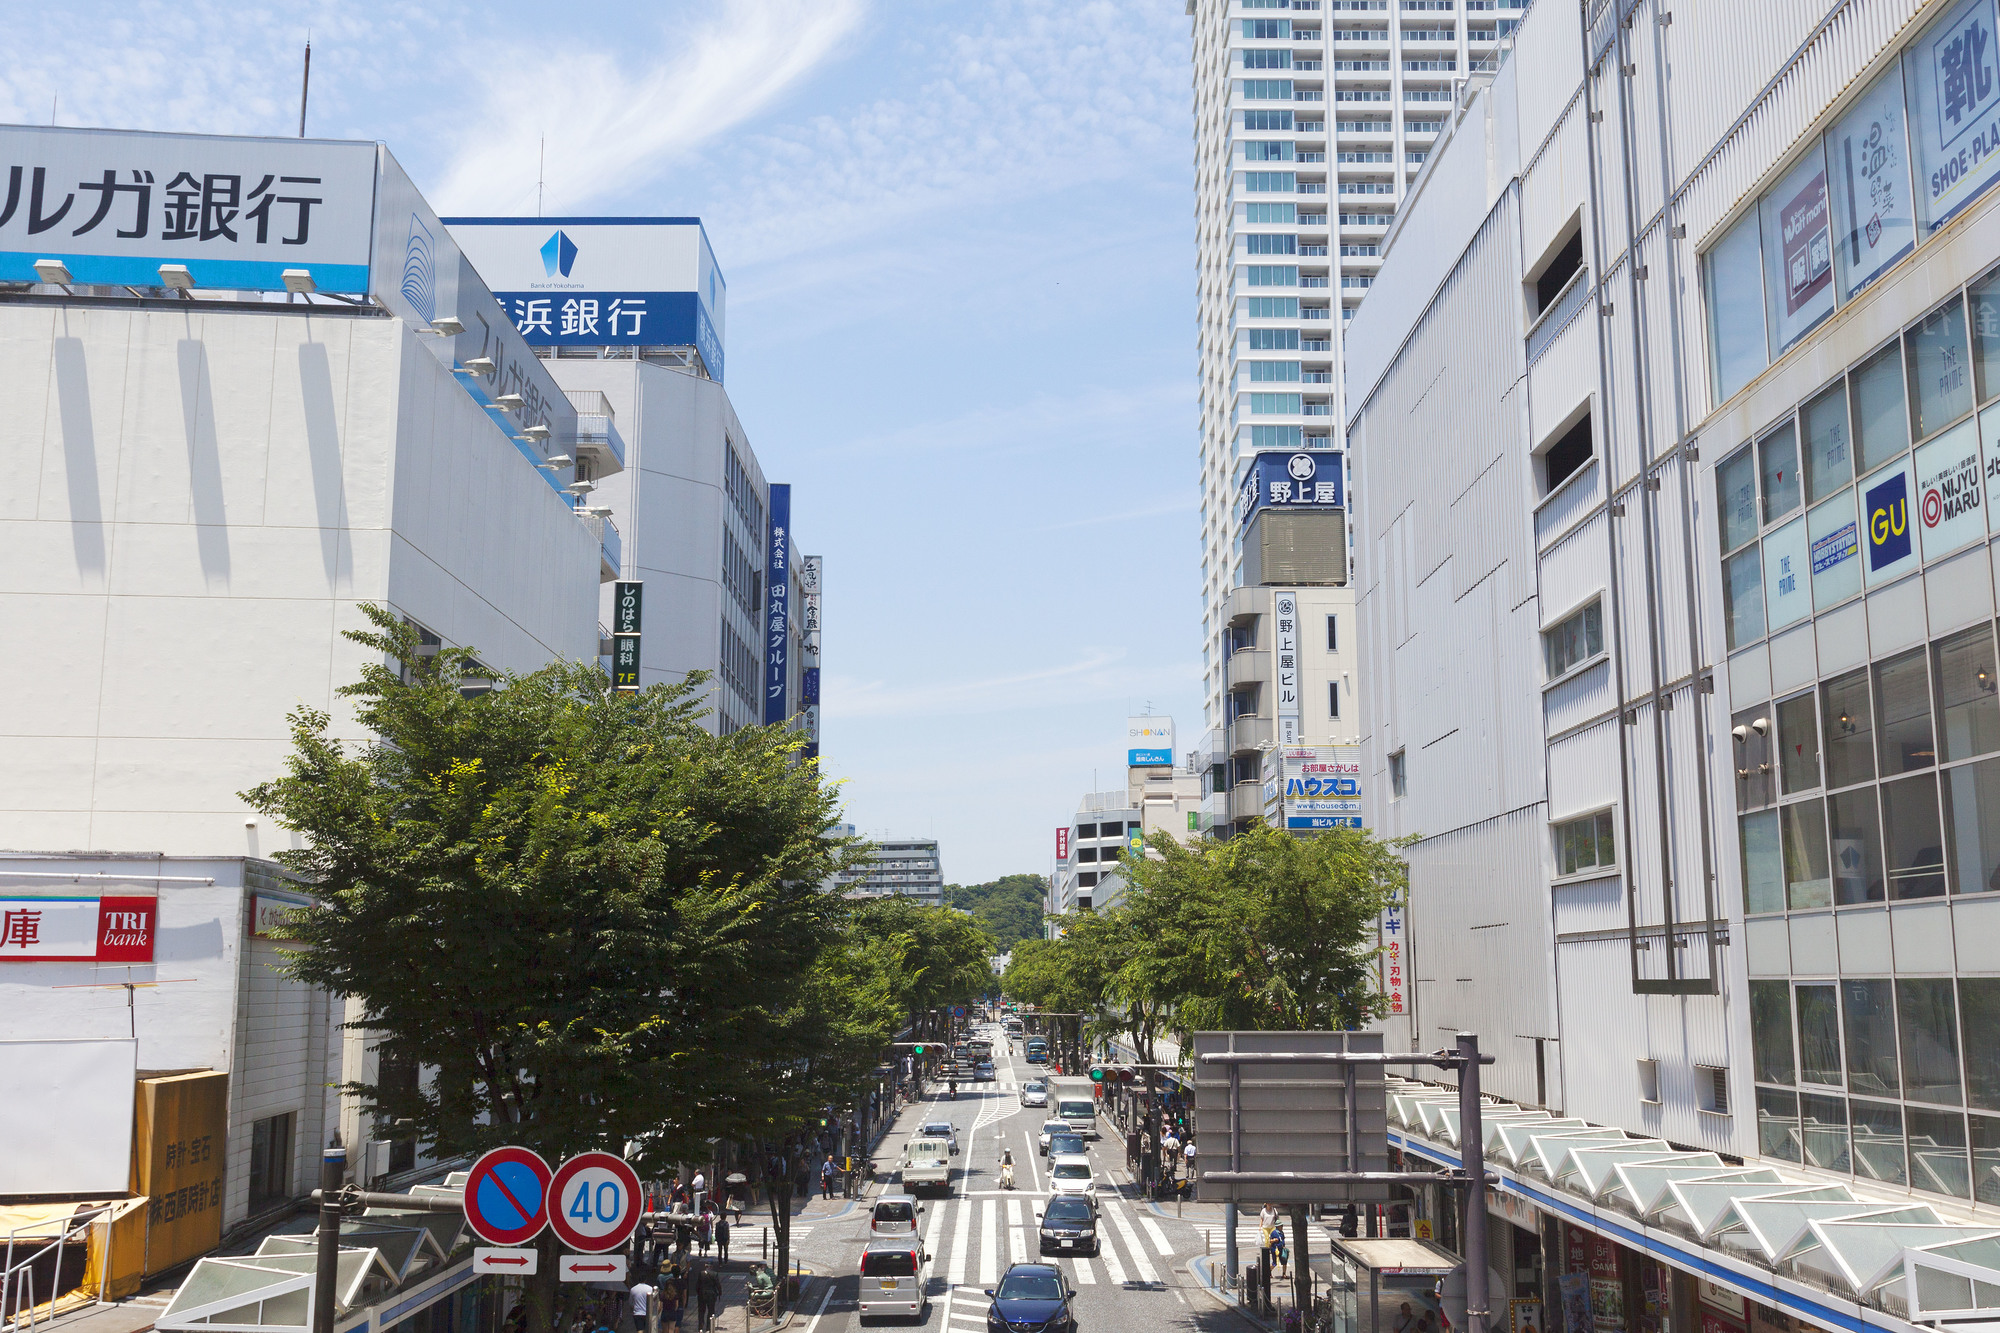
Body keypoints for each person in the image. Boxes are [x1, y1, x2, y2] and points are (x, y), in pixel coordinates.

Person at [695, 1262, 722, 1333]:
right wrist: (720, 1292)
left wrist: (698, 1293)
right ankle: (708, 1328)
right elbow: (718, 1285)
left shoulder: (701, 1273)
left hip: (702, 1294)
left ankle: (700, 1327)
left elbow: (697, 1285)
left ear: (705, 1266)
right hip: (711, 1294)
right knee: (710, 1311)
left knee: (701, 1311)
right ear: (711, 1266)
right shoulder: (714, 1274)